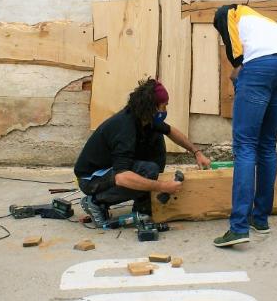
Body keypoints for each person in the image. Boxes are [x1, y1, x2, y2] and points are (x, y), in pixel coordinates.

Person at [212, 4, 277, 247]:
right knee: (266, 146)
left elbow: (237, 58)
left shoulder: (229, 12)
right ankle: (260, 219)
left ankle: (239, 226)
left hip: (261, 65)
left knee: (244, 146)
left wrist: (238, 72)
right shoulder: (264, 22)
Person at [74, 78, 211, 228]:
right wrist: (163, 186)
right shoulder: (125, 128)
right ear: (152, 107)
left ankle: (143, 201)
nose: (165, 111)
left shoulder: (144, 117)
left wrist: (196, 152)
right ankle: (96, 201)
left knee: (157, 136)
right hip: (91, 179)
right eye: (164, 106)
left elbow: (170, 131)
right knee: (148, 170)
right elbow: (122, 177)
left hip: (110, 169)